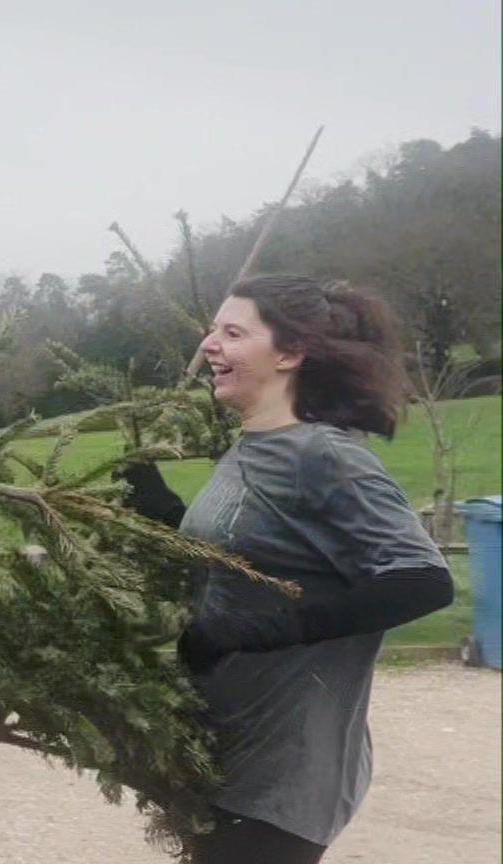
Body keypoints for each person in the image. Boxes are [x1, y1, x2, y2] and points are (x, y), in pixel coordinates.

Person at [121, 274, 453, 864]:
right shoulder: (253, 445)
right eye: (213, 330)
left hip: (287, 772)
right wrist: (163, 514)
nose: (209, 345)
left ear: (291, 354)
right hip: (227, 751)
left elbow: (423, 579)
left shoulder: (322, 455)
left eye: (233, 332)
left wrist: (258, 632)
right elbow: (244, 564)